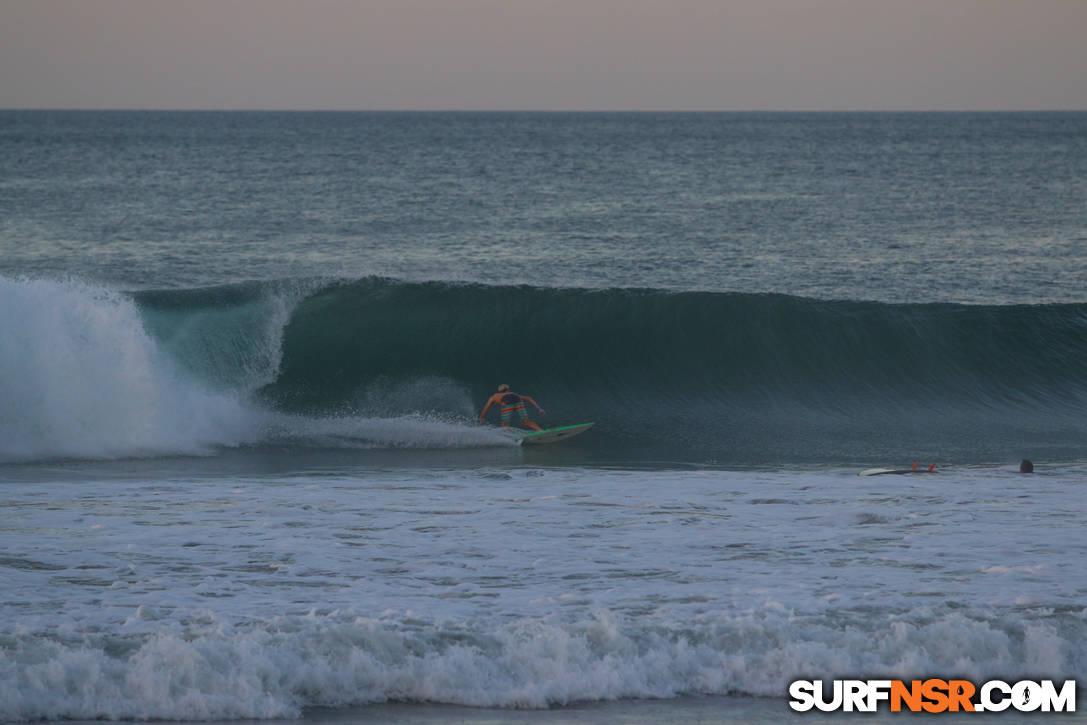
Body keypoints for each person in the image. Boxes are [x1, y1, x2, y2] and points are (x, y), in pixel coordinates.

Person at [479, 384, 545, 431]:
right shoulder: (513, 394)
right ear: (507, 389)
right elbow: (529, 398)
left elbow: (486, 408)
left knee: (505, 426)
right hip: (517, 400)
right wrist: (539, 409)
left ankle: (507, 438)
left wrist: (481, 417)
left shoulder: (494, 397)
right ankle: (541, 431)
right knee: (526, 422)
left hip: (507, 403)